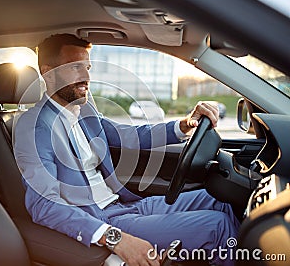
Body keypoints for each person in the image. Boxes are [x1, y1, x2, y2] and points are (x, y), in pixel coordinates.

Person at [13, 34, 240, 266]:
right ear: (47, 72)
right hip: (101, 219)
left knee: (220, 198)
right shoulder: (33, 127)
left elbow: (129, 136)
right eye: (75, 68)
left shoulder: (84, 110)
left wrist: (183, 125)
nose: (87, 77)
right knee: (217, 226)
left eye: (88, 67)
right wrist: (116, 238)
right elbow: (43, 205)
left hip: (126, 206)